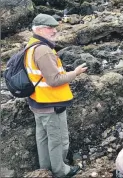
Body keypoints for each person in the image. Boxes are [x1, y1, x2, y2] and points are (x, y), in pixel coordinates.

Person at [26, 14, 87, 178]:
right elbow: (54, 80)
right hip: (51, 103)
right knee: (58, 140)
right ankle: (61, 171)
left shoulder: (31, 45)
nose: (54, 31)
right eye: (49, 28)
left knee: (44, 140)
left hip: (38, 102)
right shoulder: (44, 51)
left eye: (54, 27)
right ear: (38, 29)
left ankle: (45, 170)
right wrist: (75, 73)